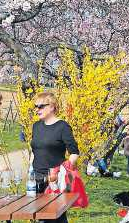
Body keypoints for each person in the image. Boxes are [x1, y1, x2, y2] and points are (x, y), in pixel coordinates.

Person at [31, 92, 80, 223]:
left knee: (54, 216)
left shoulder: (62, 127)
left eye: (40, 106)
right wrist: (30, 173)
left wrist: (62, 172)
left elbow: (74, 152)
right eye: (35, 106)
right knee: (42, 216)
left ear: (52, 106)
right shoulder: (36, 126)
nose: (37, 110)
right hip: (36, 178)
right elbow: (35, 151)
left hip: (54, 179)